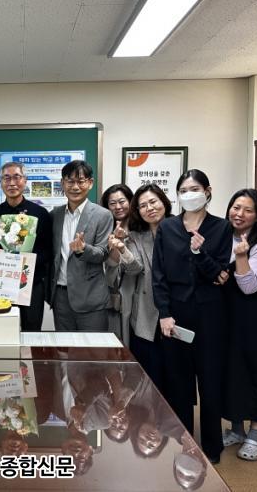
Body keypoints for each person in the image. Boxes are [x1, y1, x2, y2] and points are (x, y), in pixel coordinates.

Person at [151, 169, 232, 464]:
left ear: (207, 192)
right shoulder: (168, 227)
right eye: (183, 190)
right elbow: (158, 274)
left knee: (210, 381)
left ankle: (211, 447)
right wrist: (164, 313)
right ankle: (182, 442)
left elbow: (219, 274)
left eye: (194, 189)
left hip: (211, 314)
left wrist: (200, 254)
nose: (189, 194)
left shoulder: (221, 228)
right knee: (178, 383)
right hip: (176, 314)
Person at [221, 189, 257, 461]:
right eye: (236, 207)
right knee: (231, 371)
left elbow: (249, 286)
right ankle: (236, 429)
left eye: (248, 210)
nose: (239, 214)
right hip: (226, 316)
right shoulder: (222, 237)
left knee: (254, 371)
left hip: (253, 320)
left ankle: (255, 433)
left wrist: (241, 256)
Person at [108, 183, 172, 389]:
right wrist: (122, 249)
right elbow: (135, 268)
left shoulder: (180, 230)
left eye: (153, 202)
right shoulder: (136, 236)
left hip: (176, 310)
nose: (149, 208)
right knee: (148, 375)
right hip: (146, 312)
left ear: (164, 202)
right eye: (143, 206)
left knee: (175, 375)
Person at [0, 161, 52, 331]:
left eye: (17, 177)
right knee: (3, 331)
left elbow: (48, 250)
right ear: (1, 182)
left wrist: (25, 262)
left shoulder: (40, 213)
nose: (12, 183)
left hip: (32, 283)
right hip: (1, 283)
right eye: (6, 178)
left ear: (25, 180)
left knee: (32, 331)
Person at [50, 160, 113, 331]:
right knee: (64, 346)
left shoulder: (103, 215)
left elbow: (103, 253)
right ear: (62, 183)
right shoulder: (54, 215)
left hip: (90, 297)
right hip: (60, 297)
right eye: (70, 181)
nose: (75, 187)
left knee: (93, 347)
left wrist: (84, 249)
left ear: (90, 183)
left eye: (81, 181)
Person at [101, 184, 134, 343]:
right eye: (112, 203)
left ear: (131, 201)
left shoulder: (140, 228)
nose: (118, 207)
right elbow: (111, 264)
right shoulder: (105, 229)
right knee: (114, 341)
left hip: (136, 293)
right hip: (113, 294)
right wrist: (116, 241)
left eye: (122, 201)